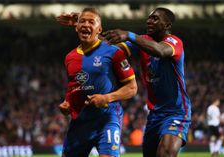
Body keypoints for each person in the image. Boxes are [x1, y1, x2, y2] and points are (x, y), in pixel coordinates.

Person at [56, 7, 192, 157]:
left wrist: (128, 35)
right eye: (149, 18)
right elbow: (108, 46)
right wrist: (84, 25)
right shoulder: (143, 42)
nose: (149, 21)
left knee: (165, 153)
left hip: (176, 112)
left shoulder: (174, 42)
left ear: (167, 26)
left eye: (155, 18)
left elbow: (159, 50)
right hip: (155, 114)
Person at [58, 8, 137, 157]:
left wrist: (106, 98)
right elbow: (74, 87)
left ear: (99, 29)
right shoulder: (70, 57)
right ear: (76, 27)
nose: (86, 24)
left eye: (91, 22)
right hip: (81, 122)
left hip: (107, 118)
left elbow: (132, 88)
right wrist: (67, 103)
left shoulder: (113, 52)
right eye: (82, 21)